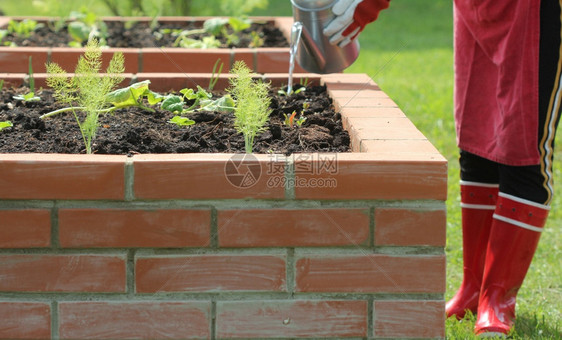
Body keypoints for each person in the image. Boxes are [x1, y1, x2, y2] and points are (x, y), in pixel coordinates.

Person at [324, 0, 561, 337]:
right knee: (475, 144)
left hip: (532, 11)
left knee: (522, 150)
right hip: (473, 8)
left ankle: (498, 299)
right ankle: (472, 290)